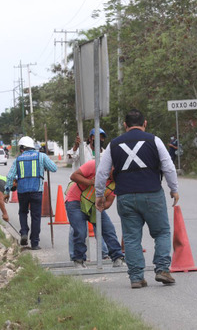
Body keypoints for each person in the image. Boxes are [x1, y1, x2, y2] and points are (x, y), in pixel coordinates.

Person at [95, 109, 180, 289]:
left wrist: (99, 194)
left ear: (125, 125)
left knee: (131, 238)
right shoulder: (154, 140)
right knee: (162, 232)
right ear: (145, 123)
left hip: (125, 196)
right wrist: (174, 189)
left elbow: (102, 172)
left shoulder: (113, 144)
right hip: (152, 194)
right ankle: (162, 269)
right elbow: (168, 167)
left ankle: (136, 277)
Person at [65, 160, 125, 268]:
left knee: (108, 229)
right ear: (111, 168)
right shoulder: (95, 165)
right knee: (80, 231)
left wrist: (102, 204)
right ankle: (79, 260)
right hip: (76, 201)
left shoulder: (115, 181)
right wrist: (90, 182)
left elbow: (108, 202)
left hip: (94, 206)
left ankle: (117, 258)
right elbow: (74, 176)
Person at [5, 136, 57, 250]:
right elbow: (54, 168)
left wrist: (7, 191)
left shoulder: (18, 159)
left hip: (22, 191)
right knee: (36, 216)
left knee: (23, 212)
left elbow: (10, 177)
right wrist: (45, 165)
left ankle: (24, 232)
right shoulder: (41, 156)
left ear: (22, 148)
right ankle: (35, 243)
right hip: (36, 191)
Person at [67, 128, 109, 259]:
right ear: (91, 138)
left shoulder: (105, 152)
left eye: (102, 137)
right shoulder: (82, 148)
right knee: (77, 226)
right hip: (79, 191)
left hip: (95, 193)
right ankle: (75, 254)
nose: (100, 140)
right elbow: (69, 160)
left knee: (99, 222)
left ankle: (104, 253)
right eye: (97, 137)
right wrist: (75, 145)